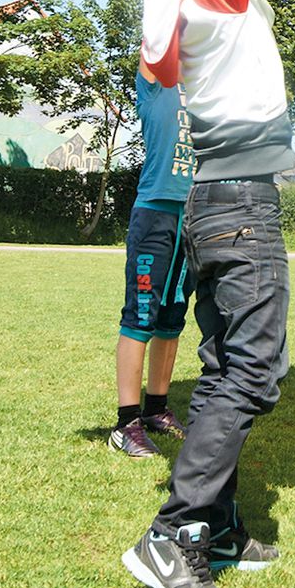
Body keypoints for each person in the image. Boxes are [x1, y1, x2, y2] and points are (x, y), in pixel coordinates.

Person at [102, 0, 293, 588]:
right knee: (252, 370)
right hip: (241, 207)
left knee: (225, 365)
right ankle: (174, 534)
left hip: (218, 205)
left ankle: (217, 528)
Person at [107, 51, 195, 459]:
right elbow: (155, 37)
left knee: (172, 316)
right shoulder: (156, 86)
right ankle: (126, 424)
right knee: (141, 314)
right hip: (155, 214)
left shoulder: (207, 93)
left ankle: (157, 409)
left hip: (192, 215)